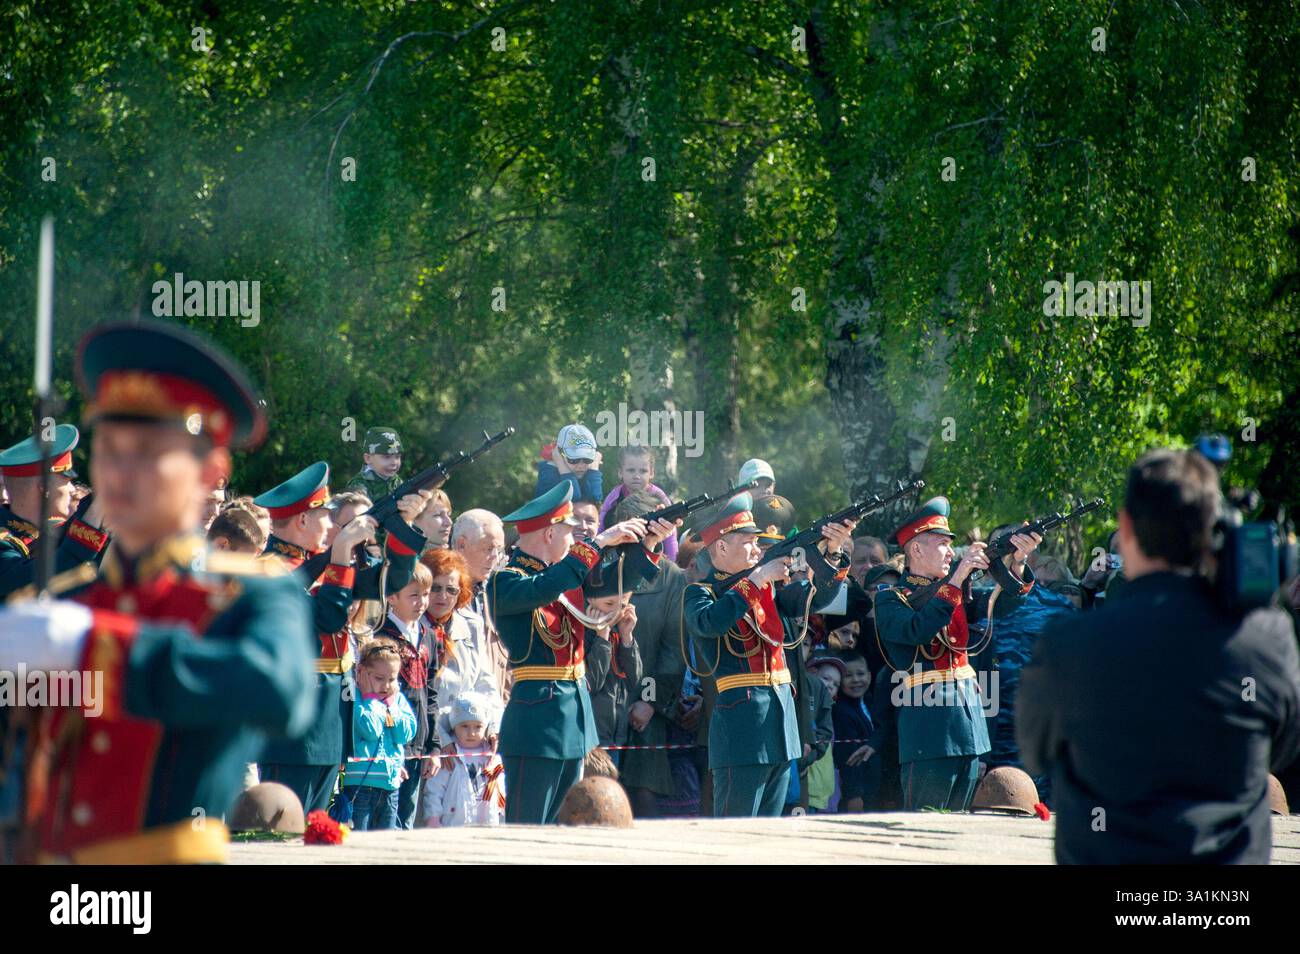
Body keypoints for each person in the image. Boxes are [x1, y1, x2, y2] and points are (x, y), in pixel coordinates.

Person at [0, 319, 316, 863]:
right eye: (111, 452)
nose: (122, 473)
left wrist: (102, 650)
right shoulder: (66, 604)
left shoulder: (252, 594)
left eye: (148, 452)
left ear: (209, 469)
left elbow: (283, 692)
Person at [1018, 448, 1300, 864]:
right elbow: (1280, 748)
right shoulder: (1266, 637)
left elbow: (1036, 748)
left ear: (1126, 526)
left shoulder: (1068, 642)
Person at [487, 481, 676, 823]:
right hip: (537, 722)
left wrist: (648, 542)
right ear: (549, 534)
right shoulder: (506, 580)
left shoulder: (564, 575)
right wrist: (600, 542)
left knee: (567, 827)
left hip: (574, 718)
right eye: (569, 533)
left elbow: (615, 584)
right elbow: (545, 588)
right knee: (529, 826)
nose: (575, 540)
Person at [254, 461, 428, 814]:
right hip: (293, 724)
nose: (331, 525)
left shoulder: (319, 565)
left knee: (317, 833)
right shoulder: (268, 570)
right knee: (280, 835)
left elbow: (390, 582)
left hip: (331, 719)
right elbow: (329, 619)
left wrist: (402, 526)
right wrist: (341, 551)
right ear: (302, 519)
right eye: (325, 516)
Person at [683, 492, 855, 817]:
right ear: (721, 546)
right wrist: (758, 578)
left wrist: (831, 553)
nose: (757, 549)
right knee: (737, 831)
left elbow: (813, 601)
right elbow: (710, 622)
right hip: (742, 730)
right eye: (748, 541)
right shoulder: (700, 592)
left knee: (770, 835)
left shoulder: (766, 590)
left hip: (780, 725)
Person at [874, 496, 1041, 812]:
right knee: (927, 824)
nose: (951, 552)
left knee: (959, 826)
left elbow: (1004, 604)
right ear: (916, 549)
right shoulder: (891, 599)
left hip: (969, 727)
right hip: (929, 731)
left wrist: (1016, 560)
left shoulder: (953, 593)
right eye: (941, 544)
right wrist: (957, 579)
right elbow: (917, 630)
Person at [609, 491, 691, 817]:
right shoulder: (603, 569)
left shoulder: (672, 578)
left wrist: (648, 700)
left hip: (646, 710)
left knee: (644, 797)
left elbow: (674, 652)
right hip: (602, 701)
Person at [0, 424, 111, 599]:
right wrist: (97, 508)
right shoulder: (4, 540)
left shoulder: (51, 532)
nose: (72, 489)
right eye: (66, 480)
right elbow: (39, 581)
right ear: (44, 488)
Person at [375, 561, 437, 828]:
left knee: (407, 820)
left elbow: (430, 692)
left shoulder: (428, 634)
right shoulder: (380, 637)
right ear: (392, 597)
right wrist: (388, 749)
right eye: (414, 595)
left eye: (426, 594)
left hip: (418, 743)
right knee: (385, 821)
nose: (422, 602)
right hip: (389, 746)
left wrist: (433, 746)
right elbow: (377, 698)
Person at [422, 548, 503, 754]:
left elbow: (485, 683)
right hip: (425, 739)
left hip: (468, 740)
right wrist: (440, 736)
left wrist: (493, 726)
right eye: (435, 588)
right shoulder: (413, 625)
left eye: (451, 590)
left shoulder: (472, 624)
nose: (442, 596)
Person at [342, 641, 417, 831]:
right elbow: (370, 729)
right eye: (379, 678)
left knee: (385, 842)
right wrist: (370, 698)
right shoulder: (354, 697)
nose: (386, 685)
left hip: (390, 786)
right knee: (359, 841)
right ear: (360, 672)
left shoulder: (396, 699)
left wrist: (392, 706)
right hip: (360, 786)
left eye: (392, 679)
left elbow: (405, 734)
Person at [420, 692, 506, 827]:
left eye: (478, 727)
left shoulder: (493, 758)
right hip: (453, 828)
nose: (471, 733)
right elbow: (434, 792)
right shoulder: (449, 757)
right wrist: (433, 819)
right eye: (464, 726)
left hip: (488, 827)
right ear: (454, 727)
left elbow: (502, 789)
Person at [451, 508, 510, 701]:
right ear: (461, 545)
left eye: (499, 550)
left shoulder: (493, 592)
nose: (495, 557)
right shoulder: (438, 593)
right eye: (487, 549)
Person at [583, 589, 643, 763]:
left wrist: (627, 637)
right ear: (591, 600)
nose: (616, 612)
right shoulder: (584, 632)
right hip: (590, 736)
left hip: (615, 737)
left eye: (622, 605)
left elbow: (636, 679)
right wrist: (602, 636)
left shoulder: (620, 630)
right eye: (609, 604)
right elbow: (591, 683)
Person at [598, 445, 679, 560]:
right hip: (620, 552)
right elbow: (601, 526)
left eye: (643, 471)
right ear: (620, 472)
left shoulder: (659, 498)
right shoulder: (614, 497)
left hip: (653, 552)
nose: (637, 476)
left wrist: (672, 564)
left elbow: (671, 535)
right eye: (631, 470)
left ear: (651, 473)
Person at [831, 651, 879, 812]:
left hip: (874, 783)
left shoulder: (871, 702)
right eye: (848, 675)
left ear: (870, 676)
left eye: (860, 674)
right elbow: (848, 758)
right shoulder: (841, 712)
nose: (856, 680)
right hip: (858, 791)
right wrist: (854, 795)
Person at [806, 657, 844, 812]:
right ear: (811, 673)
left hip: (825, 797)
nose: (830, 685)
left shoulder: (827, 715)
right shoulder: (807, 710)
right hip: (806, 794)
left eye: (836, 684)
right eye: (826, 678)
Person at [535, 423, 603, 503]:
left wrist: (594, 468)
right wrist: (562, 466)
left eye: (587, 460)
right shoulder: (548, 473)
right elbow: (573, 497)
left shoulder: (588, 470)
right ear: (560, 455)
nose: (581, 466)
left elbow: (594, 497)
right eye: (574, 460)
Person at [345, 426, 404, 504]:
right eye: (387, 457)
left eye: (397, 457)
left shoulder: (397, 482)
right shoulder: (359, 484)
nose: (394, 462)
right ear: (368, 458)